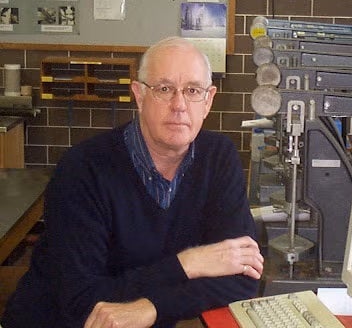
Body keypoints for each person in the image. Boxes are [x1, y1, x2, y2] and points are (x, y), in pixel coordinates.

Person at [1, 37, 264, 328]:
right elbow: (82, 302)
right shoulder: (83, 169)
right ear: (139, 95)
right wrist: (188, 264)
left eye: (192, 90)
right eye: (164, 89)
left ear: (208, 100)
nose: (179, 104)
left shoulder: (218, 157)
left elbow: (244, 278)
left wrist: (152, 308)